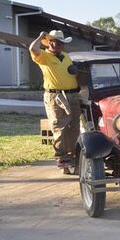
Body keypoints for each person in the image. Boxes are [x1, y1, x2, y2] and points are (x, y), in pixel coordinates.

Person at [29, 30, 81, 171]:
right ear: (49, 42)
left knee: (74, 127)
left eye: (60, 42)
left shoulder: (65, 56)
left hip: (73, 95)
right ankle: (62, 158)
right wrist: (40, 36)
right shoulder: (44, 56)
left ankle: (73, 156)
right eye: (55, 41)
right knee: (59, 127)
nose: (58, 44)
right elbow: (32, 48)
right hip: (56, 96)